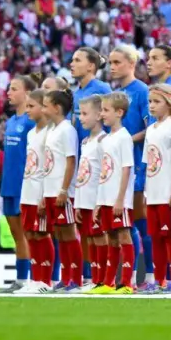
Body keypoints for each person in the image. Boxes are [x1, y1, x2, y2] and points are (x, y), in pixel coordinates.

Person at [107, 46, 151, 289]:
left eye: (117, 62)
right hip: (115, 169)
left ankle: (144, 275)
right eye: (110, 62)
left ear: (131, 63)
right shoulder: (117, 93)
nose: (112, 66)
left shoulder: (142, 91)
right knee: (123, 223)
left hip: (134, 164)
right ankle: (124, 275)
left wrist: (127, 139)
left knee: (134, 222)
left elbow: (150, 128)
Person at [142, 84, 171, 293]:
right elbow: (149, 162)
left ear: (169, 104)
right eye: (150, 101)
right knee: (156, 238)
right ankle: (159, 280)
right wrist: (146, 191)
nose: (151, 106)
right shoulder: (151, 129)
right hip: (153, 193)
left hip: (168, 193)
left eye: (156, 101)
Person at [38, 90, 80, 292]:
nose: (43, 109)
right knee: (60, 235)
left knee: (69, 232)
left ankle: (76, 279)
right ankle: (66, 277)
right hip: (50, 190)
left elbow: (71, 161)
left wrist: (64, 189)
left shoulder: (67, 130)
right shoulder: (52, 130)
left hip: (63, 192)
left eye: (45, 105)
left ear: (56, 107)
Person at [95, 92, 137, 293]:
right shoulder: (106, 139)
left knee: (123, 236)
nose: (102, 114)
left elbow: (126, 168)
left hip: (119, 199)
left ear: (119, 112)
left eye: (105, 110)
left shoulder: (124, 137)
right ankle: (108, 282)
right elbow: (104, 172)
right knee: (111, 238)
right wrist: (98, 202)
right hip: (105, 198)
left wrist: (120, 199)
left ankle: (127, 283)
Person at [0, 75, 37, 291]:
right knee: (17, 236)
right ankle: (21, 279)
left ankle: (34, 278)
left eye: (14, 89)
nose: (9, 92)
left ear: (27, 93)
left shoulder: (31, 122)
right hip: (9, 186)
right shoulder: (11, 121)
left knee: (29, 234)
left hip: (26, 186)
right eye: (9, 88)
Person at [73, 98, 106, 292]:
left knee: (99, 238)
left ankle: (102, 279)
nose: (81, 118)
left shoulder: (103, 141)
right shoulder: (86, 141)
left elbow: (104, 173)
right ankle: (94, 278)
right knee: (89, 239)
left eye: (85, 114)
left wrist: (99, 202)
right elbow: (82, 173)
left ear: (99, 115)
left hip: (96, 200)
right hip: (84, 200)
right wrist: (77, 202)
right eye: (80, 114)